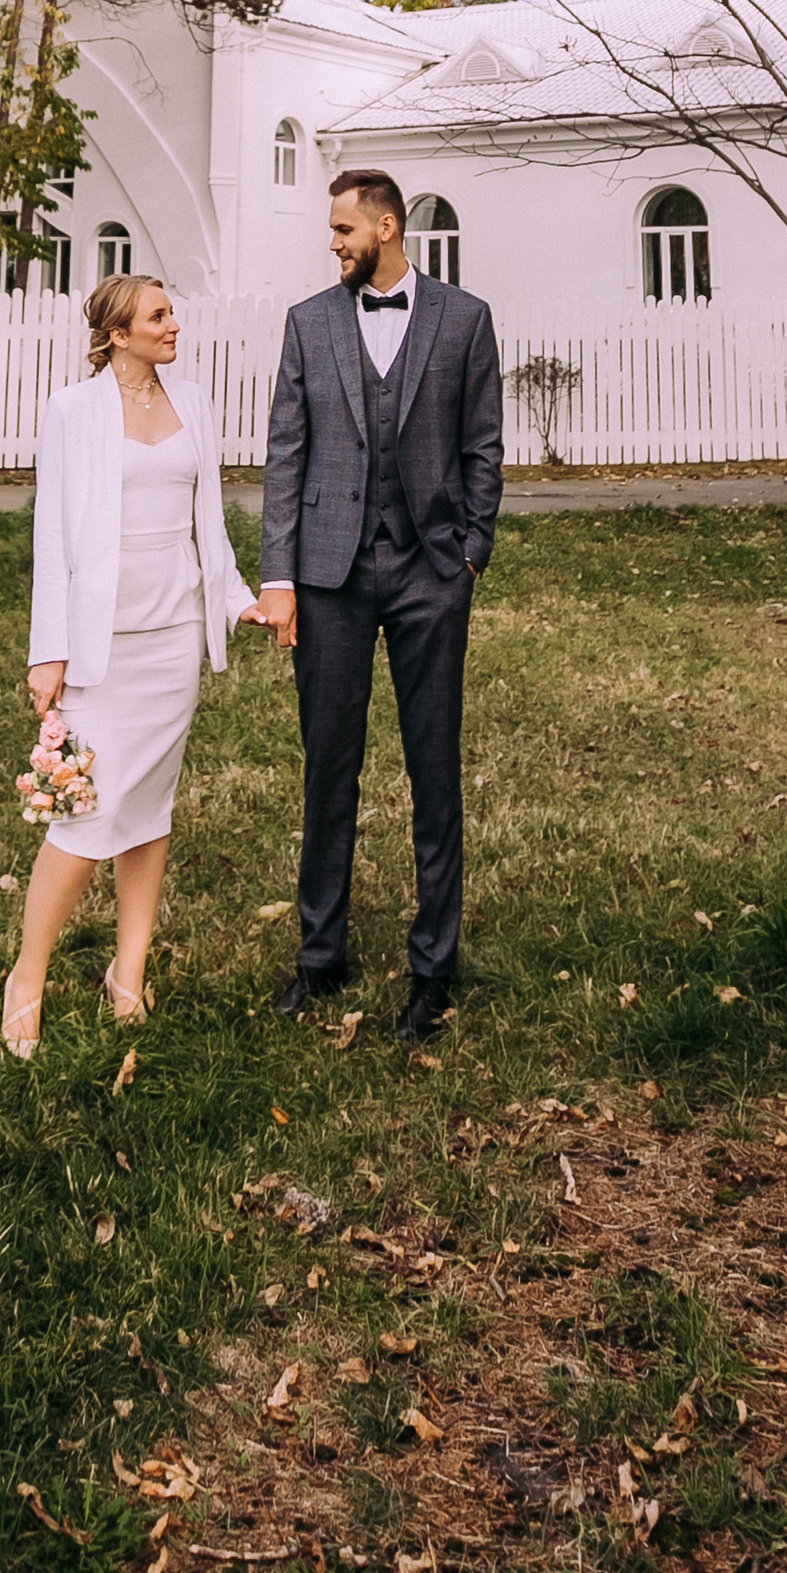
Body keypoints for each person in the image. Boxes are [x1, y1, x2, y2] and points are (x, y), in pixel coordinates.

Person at [254, 167, 503, 1041]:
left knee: (434, 772)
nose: (333, 243)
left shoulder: (466, 320)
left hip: (433, 574)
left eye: (343, 230)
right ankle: (320, 958)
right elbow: (286, 457)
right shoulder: (307, 324)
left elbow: (482, 446)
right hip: (330, 578)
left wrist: (471, 552)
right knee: (329, 770)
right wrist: (277, 577)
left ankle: (433, 970)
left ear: (388, 228)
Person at [3, 271, 265, 1055]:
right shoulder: (72, 411)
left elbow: (207, 521)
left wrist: (235, 599)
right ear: (118, 333)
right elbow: (52, 536)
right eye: (158, 316)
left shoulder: (195, 402)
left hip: (173, 635)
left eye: (171, 313)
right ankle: (28, 974)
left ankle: (128, 974)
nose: (172, 324)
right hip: (101, 644)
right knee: (85, 816)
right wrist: (47, 650)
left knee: (149, 812)